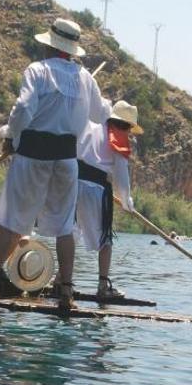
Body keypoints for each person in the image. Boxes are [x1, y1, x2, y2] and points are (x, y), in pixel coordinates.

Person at [0, 17, 112, 312]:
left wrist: (12, 138)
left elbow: (23, 108)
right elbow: (101, 116)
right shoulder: (86, 78)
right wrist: (98, 101)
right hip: (66, 159)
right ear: (72, 49)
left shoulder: (38, 70)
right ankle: (66, 293)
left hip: (32, 155)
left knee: (10, 221)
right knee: (63, 226)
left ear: (49, 45)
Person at [70, 100, 143, 300]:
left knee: (72, 232)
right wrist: (127, 200)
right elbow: (121, 176)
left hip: (73, 185)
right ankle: (103, 285)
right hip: (95, 190)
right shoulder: (117, 139)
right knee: (106, 239)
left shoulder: (91, 127)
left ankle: (61, 280)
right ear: (126, 126)